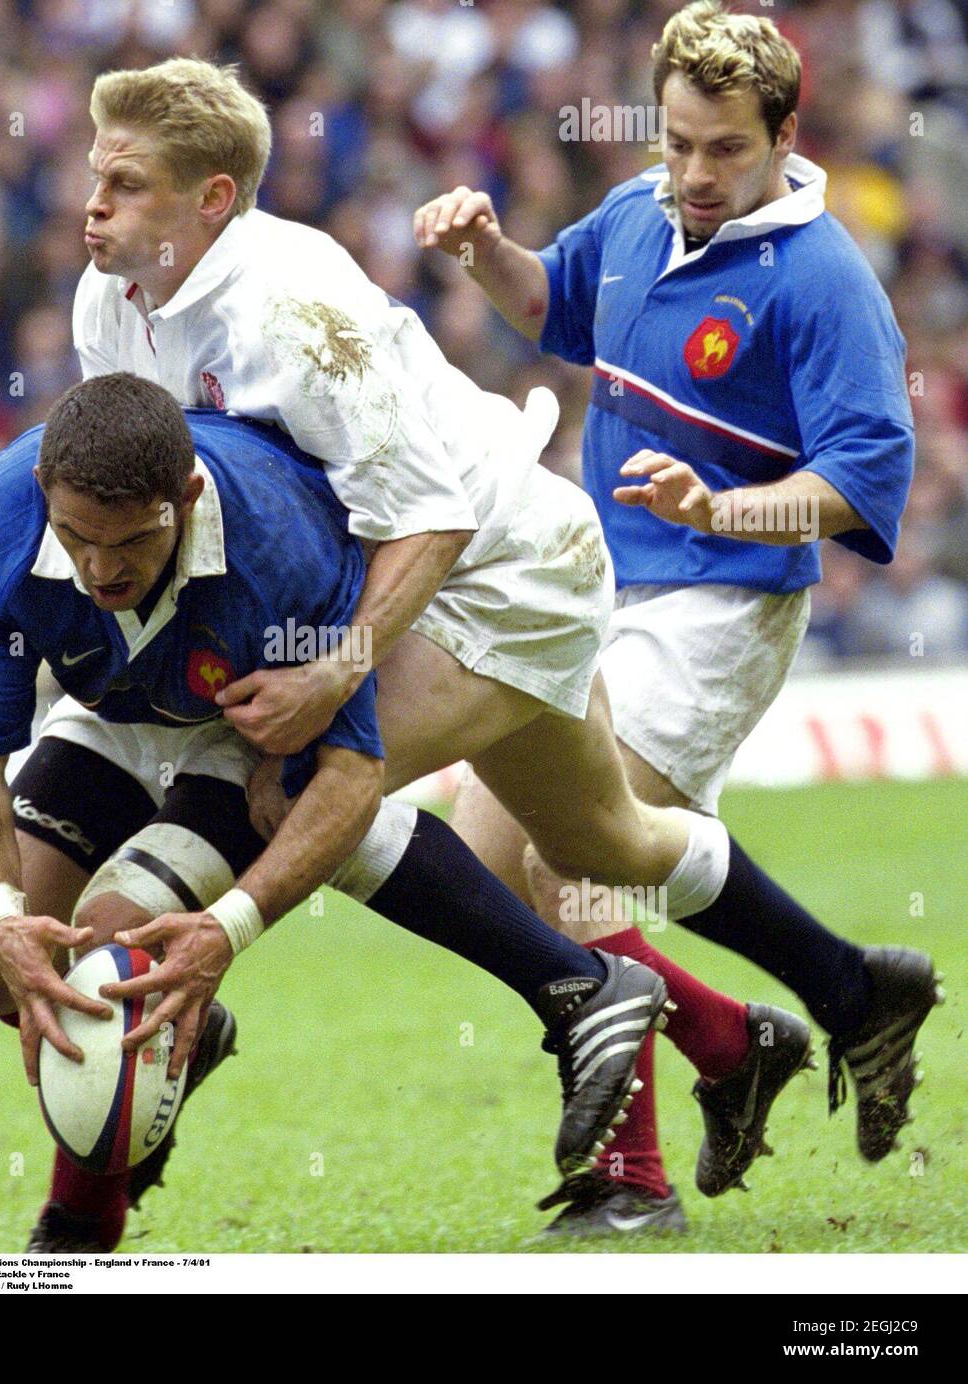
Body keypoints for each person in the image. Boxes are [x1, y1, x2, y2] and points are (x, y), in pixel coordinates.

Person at [0, 54, 834, 1237]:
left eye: (125, 184)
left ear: (212, 200)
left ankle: (587, 1017)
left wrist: (333, 667)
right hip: (304, 576)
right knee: (605, 839)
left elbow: (430, 516)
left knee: (289, 791)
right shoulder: (110, 299)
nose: (91, 206)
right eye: (95, 177)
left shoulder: (297, 309)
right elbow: (116, 477)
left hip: (496, 568)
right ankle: (751, 1024)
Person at [0, 373, 672, 1252]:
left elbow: (353, 776)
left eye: (129, 541)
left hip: (337, 656)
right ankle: (656, 1007)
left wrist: (228, 930)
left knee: (128, 944)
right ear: (42, 492)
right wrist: (2, 917)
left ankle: (80, 1229)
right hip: (123, 702)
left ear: (186, 498)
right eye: (75, 539)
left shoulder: (278, 542)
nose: (99, 569)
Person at [413, 0, 943, 1228]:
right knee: (482, 856)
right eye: (678, 143)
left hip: (720, 604)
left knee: (572, 851)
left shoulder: (821, 277)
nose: (696, 174)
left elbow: (864, 477)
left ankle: (629, 1179)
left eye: (726, 149)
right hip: (592, 589)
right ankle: (769, 1022)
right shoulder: (634, 216)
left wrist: (722, 507)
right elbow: (551, 309)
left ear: (784, 137)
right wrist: (482, 248)